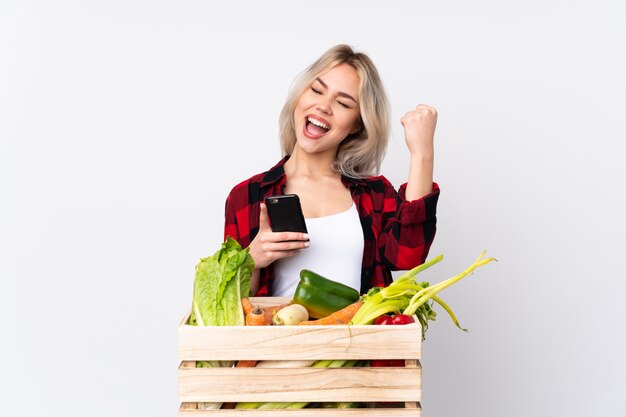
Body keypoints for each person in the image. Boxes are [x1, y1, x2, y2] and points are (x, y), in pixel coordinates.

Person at [224, 44, 440, 296]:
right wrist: (252, 259)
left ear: (357, 125)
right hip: (279, 335)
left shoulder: (374, 194)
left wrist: (422, 152)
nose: (324, 106)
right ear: (299, 98)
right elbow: (234, 312)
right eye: (316, 90)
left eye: (343, 103)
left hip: (359, 336)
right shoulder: (247, 195)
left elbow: (407, 256)